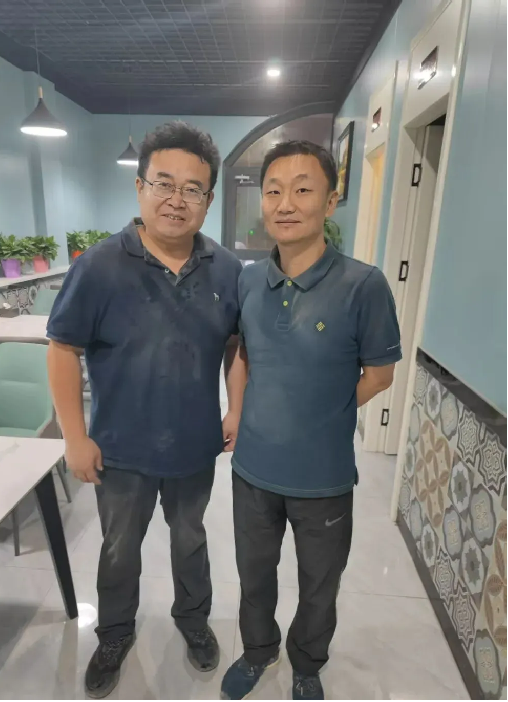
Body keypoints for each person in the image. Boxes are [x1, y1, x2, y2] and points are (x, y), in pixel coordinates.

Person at [47, 121, 247, 700]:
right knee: (118, 549)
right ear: (140, 187)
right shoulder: (99, 265)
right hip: (120, 448)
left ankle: (193, 620)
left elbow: (237, 345)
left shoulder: (227, 270)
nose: (176, 199)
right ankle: (114, 634)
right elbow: (62, 349)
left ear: (209, 200)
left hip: (193, 445)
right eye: (163, 183)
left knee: (190, 540)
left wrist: (235, 408)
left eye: (192, 189)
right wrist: (74, 437)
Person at [221, 141, 402, 701]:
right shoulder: (248, 279)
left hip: (324, 477)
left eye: (302, 189)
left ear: (329, 201)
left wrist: (323, 409)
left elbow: (380, 374)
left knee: (319, 585)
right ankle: (257, 651)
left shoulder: (363, 285)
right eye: (273, 190)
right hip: (253, 470)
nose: (285, 203)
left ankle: (306, 663)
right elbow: (242, 352)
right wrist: (236, 410)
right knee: (254, 576)